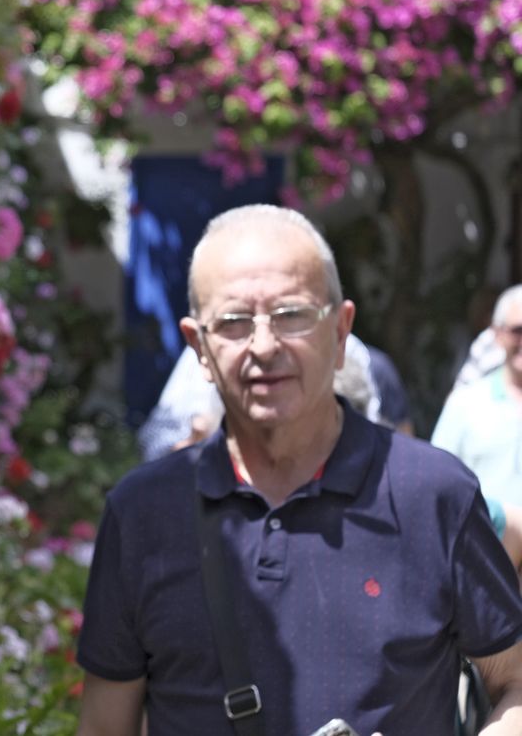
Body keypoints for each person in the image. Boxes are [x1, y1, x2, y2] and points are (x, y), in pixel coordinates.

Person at [75, 205, 522, 736]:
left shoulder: (431, 493)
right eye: (235, 322)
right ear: (199, 347)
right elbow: (106, 725)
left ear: (340, 332)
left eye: (292, 315)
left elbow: (514, 681)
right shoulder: (143, 512)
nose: (264, 346)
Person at [138, 333, 411, 461]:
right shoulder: (210, 351)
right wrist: (197, 450)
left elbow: (401, 446)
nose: (265, 348)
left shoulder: (369, 364)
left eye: (290, 312)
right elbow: (155, 445)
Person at [435, 285, 522, 567]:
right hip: (485, 566)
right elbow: (436, 482)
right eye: (517, 331)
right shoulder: (465, 404)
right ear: (497, 334)